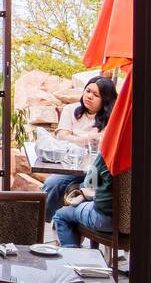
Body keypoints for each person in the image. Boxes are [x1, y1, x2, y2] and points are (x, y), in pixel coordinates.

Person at [41, 76, 117, 222]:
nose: (89, 96)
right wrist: (86, 138)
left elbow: (105, 143)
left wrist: (74, 136)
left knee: (83, 192)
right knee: (52, 184)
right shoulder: (71, 110)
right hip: (70, 167)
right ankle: (43, 223)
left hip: (95, 172)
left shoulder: (111, 119)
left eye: (96, 95)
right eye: (88, 91)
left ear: (106, 100)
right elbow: (62, 136)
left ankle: (66, 226)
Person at [53, 151, 114, 248]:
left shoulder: (109, 150)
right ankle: (93, 251)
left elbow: (90, 182)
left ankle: (72, 258)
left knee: (61, 215)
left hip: (105, 219)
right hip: (136, 223)